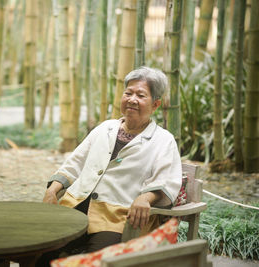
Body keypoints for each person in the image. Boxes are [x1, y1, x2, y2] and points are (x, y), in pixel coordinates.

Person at [38, 66, 182, 265]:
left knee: (97, 262)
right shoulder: (105, 128)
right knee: (41, 251)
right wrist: (53, 190)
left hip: (116, 219)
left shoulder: (163, 140)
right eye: (128, 93)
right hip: (74, 207)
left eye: (140, 95)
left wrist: (145, 197)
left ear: (155, 104)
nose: (132, 99)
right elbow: (75, 163)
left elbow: (167, 181)